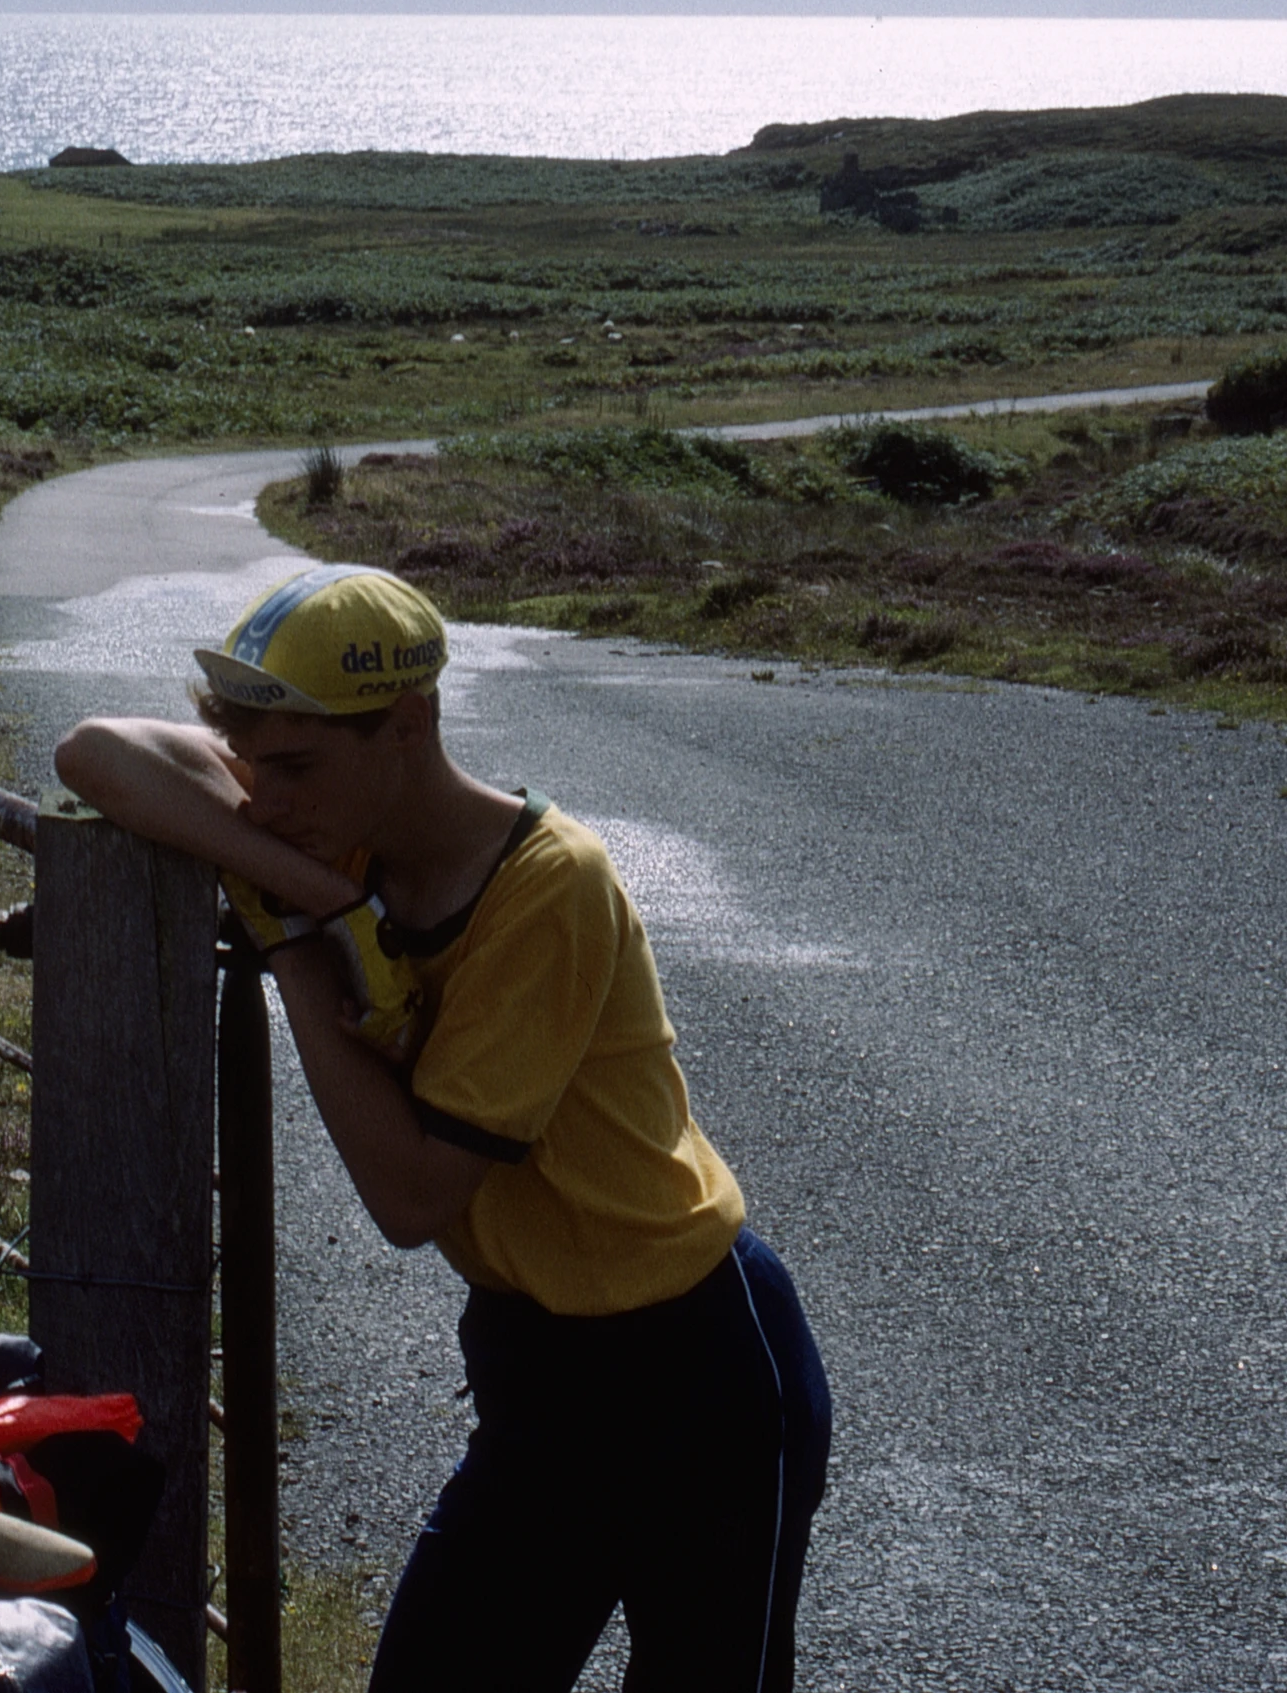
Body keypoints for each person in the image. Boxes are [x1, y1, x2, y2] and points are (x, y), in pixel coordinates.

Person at [54, 565, 830, 1691]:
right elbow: (94, 752)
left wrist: (291, 952)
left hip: (696, 1371)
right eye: (254, 767)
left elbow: (412, 1197)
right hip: (539, 1373)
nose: (264, 798)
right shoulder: (336, 833)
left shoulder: (549, 886)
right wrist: (313, 893)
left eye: (296, 769)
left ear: (406, 727)